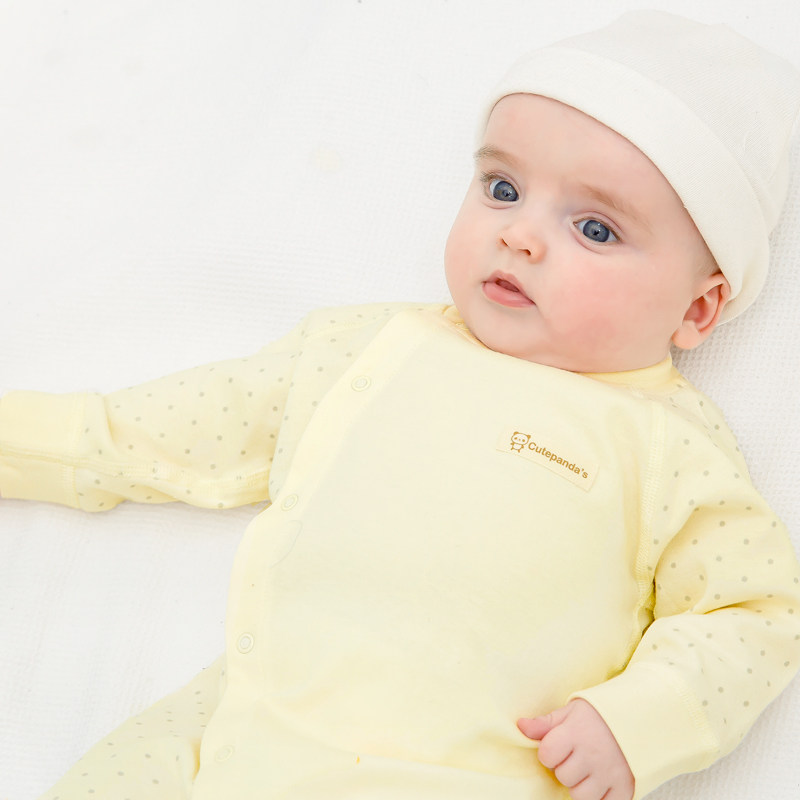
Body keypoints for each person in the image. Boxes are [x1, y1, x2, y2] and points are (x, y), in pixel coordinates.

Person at [2, 10, 799, 800]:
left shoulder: (668, 447)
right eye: (503, 188)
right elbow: (171, 427)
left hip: (461, 772)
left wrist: (638, 721)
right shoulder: (369, 349)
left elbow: (756, 612)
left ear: (699, 309)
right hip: (246, 724)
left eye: (594, 228)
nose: (520, 235)